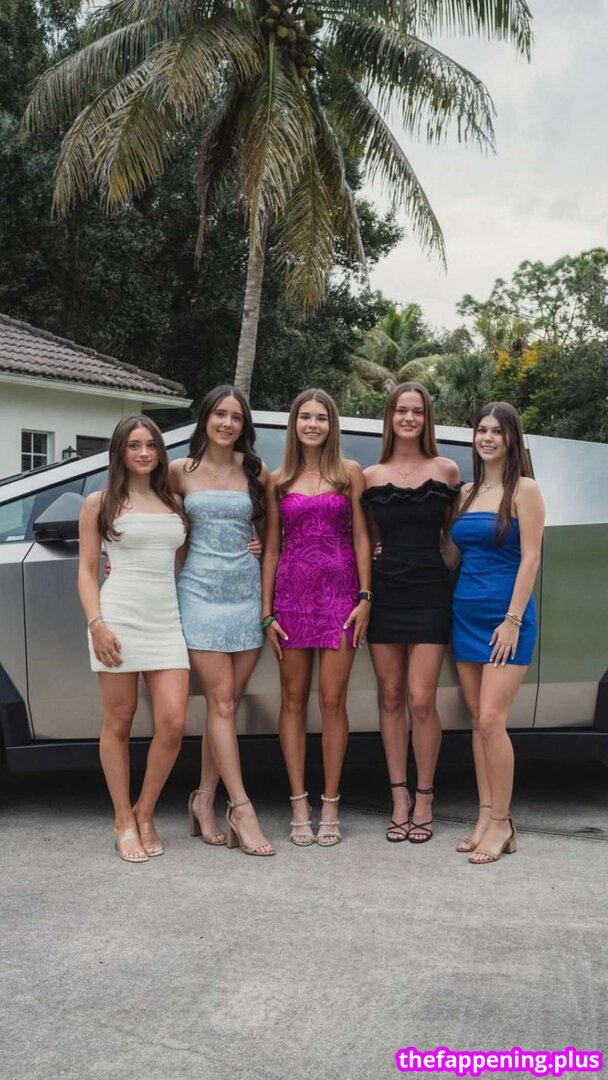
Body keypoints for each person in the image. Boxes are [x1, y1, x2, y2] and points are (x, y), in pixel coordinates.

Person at [262, 389, 372, 847]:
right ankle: (298, 801)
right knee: (291, 700)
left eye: (321, 417)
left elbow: (362, 536)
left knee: (332, 701)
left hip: (341, 597)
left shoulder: (349, 474)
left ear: (331, 425)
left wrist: (365, 596)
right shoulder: (278, 479)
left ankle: (330, 802)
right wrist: (266, 612)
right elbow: (271, 546)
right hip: (291, 598)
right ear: (294, 424)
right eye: (304, 416)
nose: (312, 424)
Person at [78, 415, 190, 863]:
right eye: (134, 445)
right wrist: (97, 625)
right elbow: (87, 570)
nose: (144, 453)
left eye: (151, 445)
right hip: (117, 620)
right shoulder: (100, 503)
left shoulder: (174, 501)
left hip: (166, 621)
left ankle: (145, 812)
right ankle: (123, 819)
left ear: (160, 452)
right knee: (118, 722)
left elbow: (185, 560)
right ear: (120, 452)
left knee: (174, 723)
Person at [170, 386, 275, 857]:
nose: (227, 423)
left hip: (246, 594)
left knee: (225, 706)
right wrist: (117, 556)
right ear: (205, 419)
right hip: (199, 593)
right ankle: (242, 808)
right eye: (219, 414)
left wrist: (259, 543)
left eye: (236, 417)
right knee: (223, 702)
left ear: (243, 426)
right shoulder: (179, 470)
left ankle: (203, 799)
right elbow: (151, 517)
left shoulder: (256, 470)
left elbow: (271, 536)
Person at [444, 401, 544, 864]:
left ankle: (503, 823)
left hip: (507, 620)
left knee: (490, 720)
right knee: (476, 720)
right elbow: (450, 557)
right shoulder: (466, 493)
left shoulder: (525, 489)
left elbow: (531, 558)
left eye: (496, 432)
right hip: (465, 613)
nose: (487, 438)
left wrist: (513, 619)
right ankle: (485, 817)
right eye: (481, 430)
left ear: (511, 439)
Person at [361, 382, 460, 844]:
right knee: (390, 696)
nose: (408, 418)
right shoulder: (371, 476)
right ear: (390, 417)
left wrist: (443, 564)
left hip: (429, 593)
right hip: (385, 593)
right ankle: (398, 796)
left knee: (421, 700)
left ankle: (425, 796)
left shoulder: (446, 469)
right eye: (401, 410)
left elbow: (455, 534)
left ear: (426, 418)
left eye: (417, 411)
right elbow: (365, 538)